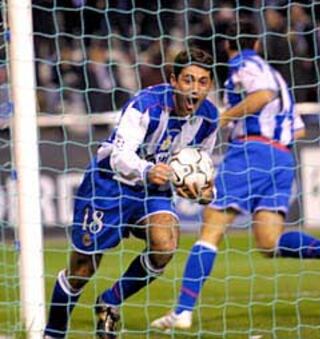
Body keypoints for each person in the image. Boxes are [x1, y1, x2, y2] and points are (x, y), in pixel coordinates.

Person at [151, 20, 320, 331]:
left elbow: (262, 95)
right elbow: (298, 127)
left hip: (252, 151)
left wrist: (226, 117)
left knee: (212, 228)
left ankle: (182, 311)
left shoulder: (242, 63)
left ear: (225, 46)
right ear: (258, 43)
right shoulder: (275, 72)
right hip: (283, 156)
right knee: (268, 241)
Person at [44, 47, 219, 338]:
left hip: (151, 192)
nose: (195, 90)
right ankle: (53, 333)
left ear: (210, 85)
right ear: (174, 81)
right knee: (82, 271)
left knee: (164, 246)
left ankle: (110, 300)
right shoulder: (145, 105)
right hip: (108, 185)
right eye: (188, 80)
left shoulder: (209, 119)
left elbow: (200, 165)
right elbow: (119, 157)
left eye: (202, 82)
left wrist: (203, 190)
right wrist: (148, 170)